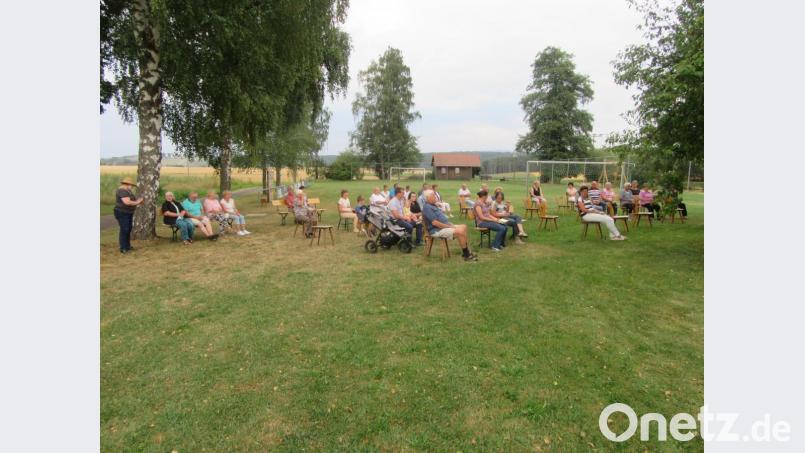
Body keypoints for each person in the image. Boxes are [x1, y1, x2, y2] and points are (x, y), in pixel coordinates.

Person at [422, 190, 477, 261]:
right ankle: (466, 255)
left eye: (435, 195)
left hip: (443, 227)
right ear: (427, 198)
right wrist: (449, 226)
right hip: (436, 230)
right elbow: (435, 223)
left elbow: (440, 218)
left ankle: (466, 250)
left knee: (464, 226)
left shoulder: (433, 205)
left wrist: (449, 224)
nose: (435, 196)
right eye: (433, 195)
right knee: (460, 231)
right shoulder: (427, 207)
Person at [114, 177, 143, 253]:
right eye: (131, 185)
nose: (132, 187)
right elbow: (127, 202)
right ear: (127, 184)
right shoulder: (122, 191)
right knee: (125, 229)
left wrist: (137, 201)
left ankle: (127, 246)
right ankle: (123, 247)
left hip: (128, 212)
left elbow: (131, 200)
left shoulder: (127, 191)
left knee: (128, 229)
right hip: (122, 212)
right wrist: (137, 202)